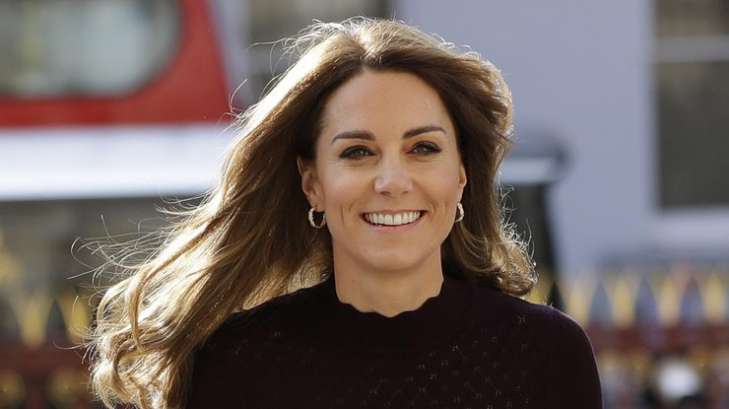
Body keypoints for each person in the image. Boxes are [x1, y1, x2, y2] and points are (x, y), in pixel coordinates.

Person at [86, 17, 602, 409]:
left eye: (423, 148)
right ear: (312, 183)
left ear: (462, 174)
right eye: (358, 152)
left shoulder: (548, 354)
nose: (392, 181)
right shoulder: (236, 364)